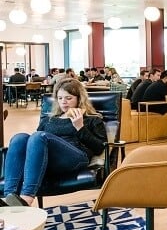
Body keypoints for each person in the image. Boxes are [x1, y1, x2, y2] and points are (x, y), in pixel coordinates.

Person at [1, 79, 107, 207]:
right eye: (60, 98)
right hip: (49, 160)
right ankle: (9, 198)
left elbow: (100, 148)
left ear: (79, 99)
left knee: (40, 136)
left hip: (76, 158)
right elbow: (34, 144)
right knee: (19, 138)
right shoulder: (49, 120)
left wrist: (80, 127)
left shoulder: (92, 119)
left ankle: (26, 199)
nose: (64, 101)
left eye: (69, 98)